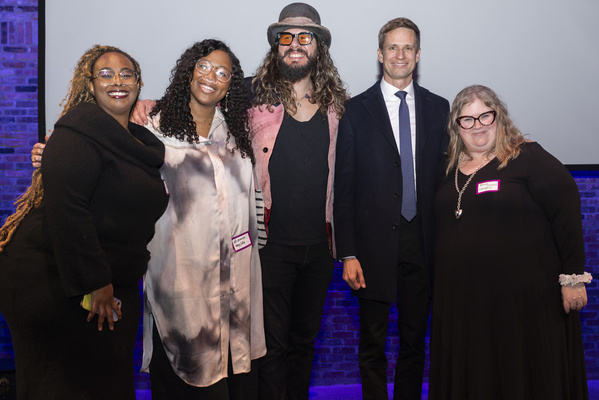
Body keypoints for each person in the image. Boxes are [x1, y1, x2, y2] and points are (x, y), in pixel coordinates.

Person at [0, 45, 168, 399]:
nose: (117, 81)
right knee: (63, 385)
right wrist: (95, 284)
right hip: (56, 279)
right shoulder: (77, 132)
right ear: (89, 85)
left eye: (126, 74)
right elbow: (69, 208)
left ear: (138, 84)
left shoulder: (137, 143)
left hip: (105, 278)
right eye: (105, 74)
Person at [428, 84, 592, 400]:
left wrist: (573, 278)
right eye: (467, 119)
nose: (478, 126)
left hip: (524, 302)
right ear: (457, 127)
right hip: (465, 302)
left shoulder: (526, 156)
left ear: (498, 117)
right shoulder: (447, 169)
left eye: (484, 116)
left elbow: (566, 208)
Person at [140, 39, 265, 400]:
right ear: (188, 72)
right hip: (181, 282)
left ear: (230, 85)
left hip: (235, 286)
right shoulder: (154, 131)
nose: (212, 77)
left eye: (223, 72)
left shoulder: (236, 137)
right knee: (183, 380)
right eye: (204, 67)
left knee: (232, 382)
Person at [334, 18, 449, 400]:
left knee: (415, 343)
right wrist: (347, 252)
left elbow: (447, 180)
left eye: (408, 48)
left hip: (423, 243)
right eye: (393, 47)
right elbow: (343, 187)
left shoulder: (439, 108)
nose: (400, 55)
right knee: (372, 345)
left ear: (418, 55)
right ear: (380, 54)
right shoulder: (355, 110)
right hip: (371, 248)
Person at [249, 3, 346, 399]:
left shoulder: (340, 107)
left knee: (304, 341)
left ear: (318, 48)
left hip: (320, 248)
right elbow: (177, 111)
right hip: (269, 246)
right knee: (271, 346)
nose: (294, 45)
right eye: (285, 38)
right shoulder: (250, 98)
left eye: (304, 38)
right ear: (276, 47)